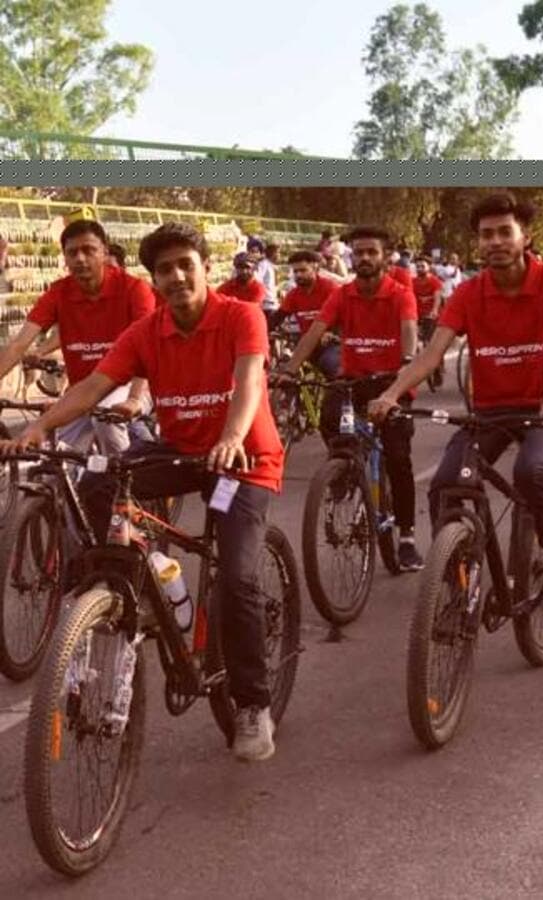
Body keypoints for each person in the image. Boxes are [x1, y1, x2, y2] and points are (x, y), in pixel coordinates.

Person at [2, 221, 285, 761]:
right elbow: (91, 386)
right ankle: (111, 584)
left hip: (240, 464)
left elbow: (250, 381)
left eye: (186, 265)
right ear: (153, 279)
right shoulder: (146, 331)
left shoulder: (240, 316)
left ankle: (252, 703)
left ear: (206, 269)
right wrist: (37, 429)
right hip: (178, 453)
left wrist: (230, 437)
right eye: (164, 270)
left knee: (237, 579)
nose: (176, 276)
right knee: (101, 478)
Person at [369, 194, 543, 616]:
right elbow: (432, 354)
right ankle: (455, 574)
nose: (495, 241)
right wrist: (391, 394)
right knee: (446, 482)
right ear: (477, 244)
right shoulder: (467, 293)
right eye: (486, 235)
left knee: (531, 471)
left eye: (506, 232)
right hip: (490, 411)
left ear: (526, 237)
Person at [279, 225, 424, 572]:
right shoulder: (342, 295)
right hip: (352, 381)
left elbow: (409, 336)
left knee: (399, 458)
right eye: (358, 253)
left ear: (385, 257)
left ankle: (407, 538)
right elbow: (314, 332)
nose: (364, 259)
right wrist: (289, 368)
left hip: (393, 384)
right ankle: (344, 469)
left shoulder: (401, 294)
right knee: (329, 417)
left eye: (371, 252)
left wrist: (404, 370)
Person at [0, 218, 155, 455]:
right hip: (81, 392)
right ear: (64, 257)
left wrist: (134, 398)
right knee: (59, 459)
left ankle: (129, 485)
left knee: (107, 419)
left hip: (131, 385)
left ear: (104, 252)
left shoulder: (135, 289)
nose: (80, 259)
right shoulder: (58, 293)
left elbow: (147, 350)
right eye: (72, 252)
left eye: (89, 250)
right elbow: (19, 344)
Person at [277, 250, 341, 378]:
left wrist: (333, 332)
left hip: (330, 343)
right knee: (285, 372)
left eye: (303, 270)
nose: (298, 275)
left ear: (315, 268)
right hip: (306, 344)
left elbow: (344, 316)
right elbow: (279, 316)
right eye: (295, 272)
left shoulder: (330, 288)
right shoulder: (294, 294)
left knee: (331, 365)